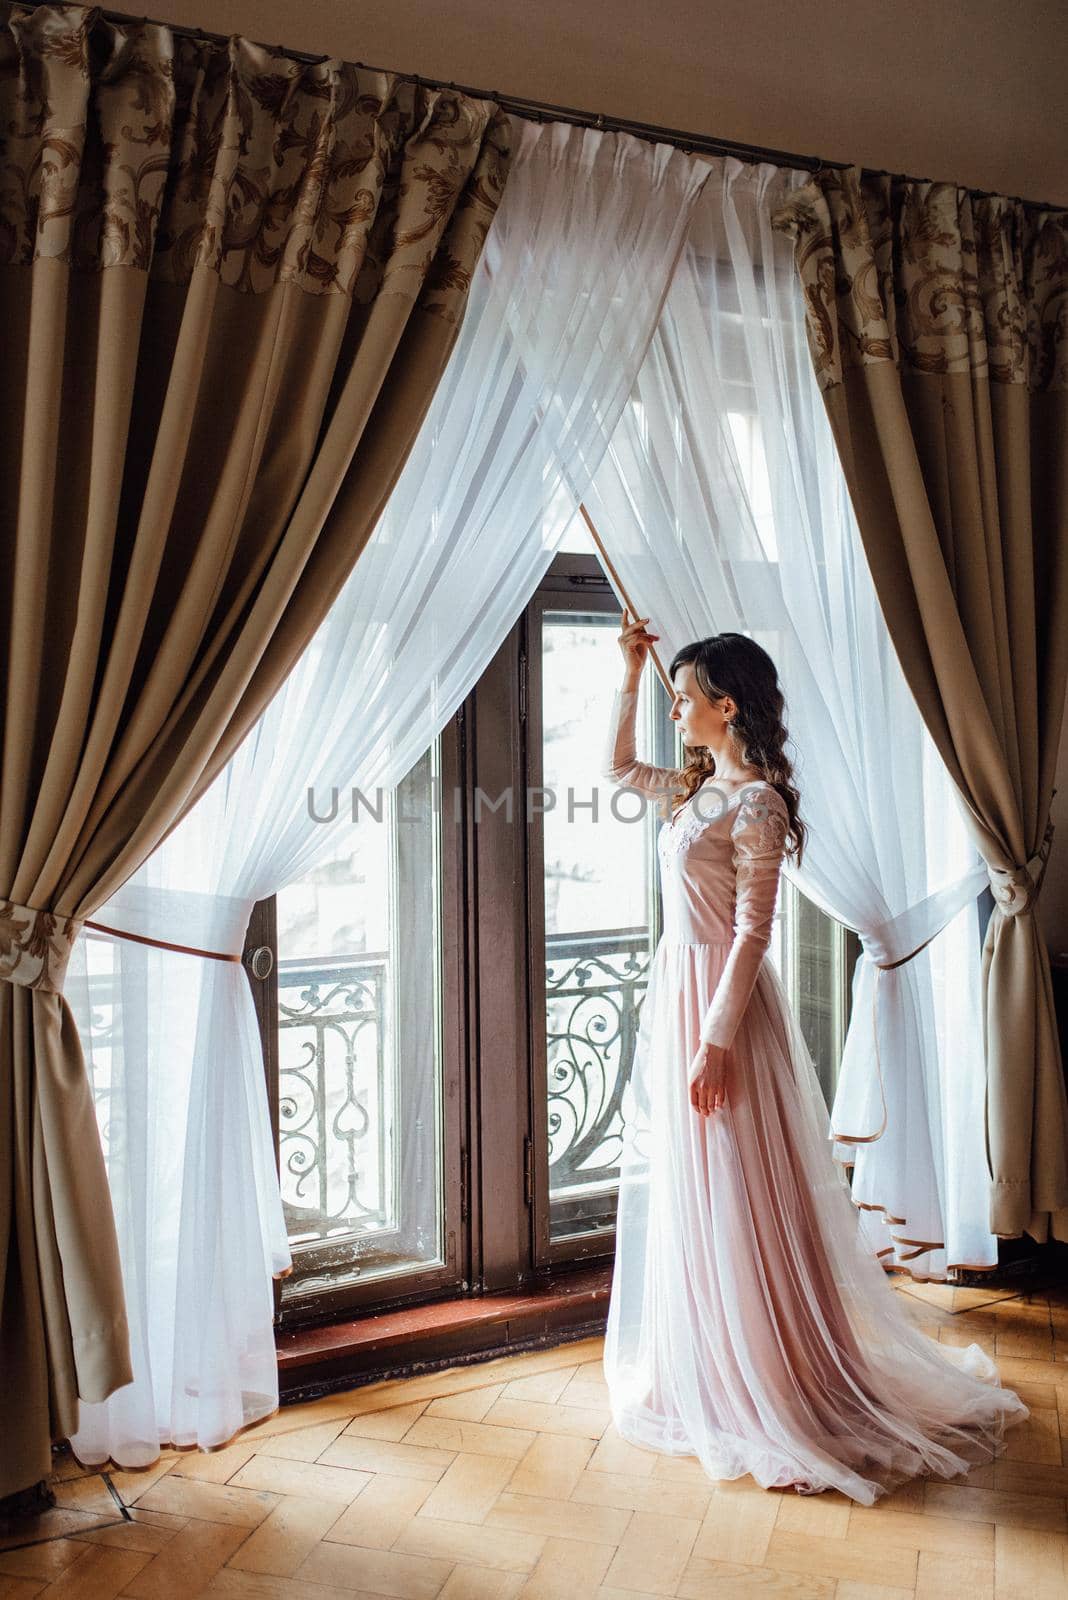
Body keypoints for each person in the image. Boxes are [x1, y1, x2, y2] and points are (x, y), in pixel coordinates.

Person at [600, 609, 1030, 1504]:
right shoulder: (697, 792)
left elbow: (754, 932)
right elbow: (611, 770)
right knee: (702, 1189)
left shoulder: (753, 802)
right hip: (684, 999)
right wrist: (631, 672)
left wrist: (716, 1043)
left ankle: (779, 1379)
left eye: (684, 699)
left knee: (742, 1187)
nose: (676, 715)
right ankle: (715, 1367)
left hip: (723, 1010)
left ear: (724, 706)